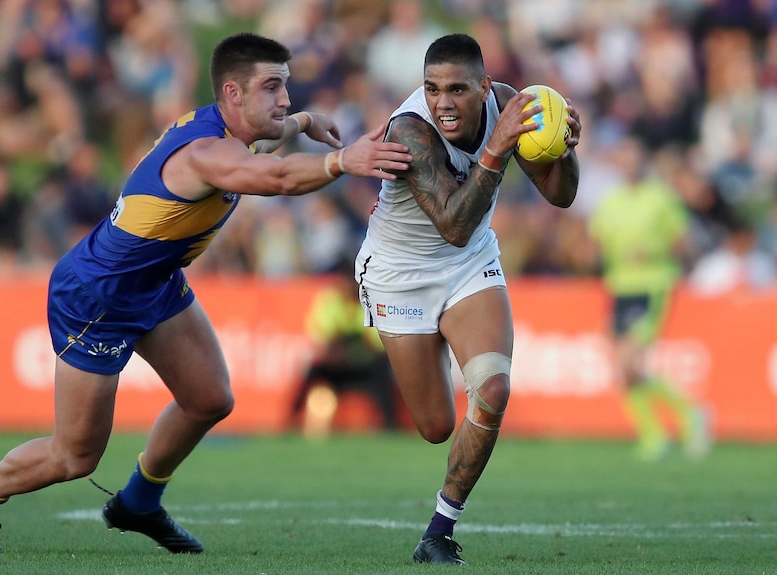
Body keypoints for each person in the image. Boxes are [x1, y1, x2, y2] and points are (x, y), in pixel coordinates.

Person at [0, 31, 411, 554]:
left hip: (155, 282)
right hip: (98, 296)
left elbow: (260, 147)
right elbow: (277, 176)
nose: (285, 99)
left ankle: (139, 502)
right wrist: (342, 160)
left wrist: (304, 122)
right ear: (233, 94)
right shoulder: (207, 152)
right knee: (74, 457)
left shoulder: (225, 127)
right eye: (273, 88)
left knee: (209, 398)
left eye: (286, 86)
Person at [354, 34, 580, 565]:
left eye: (457, 89)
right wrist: (498, 146)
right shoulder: (409, 129)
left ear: (484, 87)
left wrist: (564, 149)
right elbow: (452, 222)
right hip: (399, 274)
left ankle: (438, 530)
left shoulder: (507, 103)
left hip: (468, 263)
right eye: (432, 89)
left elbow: (561, 195)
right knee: (435, 427)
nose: (444, 102)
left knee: (493, 389)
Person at [588, 136, 710, 462]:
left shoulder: (661, 197)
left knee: (630, 362)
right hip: (619, 286)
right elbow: (596, 243)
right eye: (623, 158)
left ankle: (690, 411)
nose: (629, 164)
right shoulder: (610, 201)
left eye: (633, 157)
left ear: (642, 161)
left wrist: (653, 252)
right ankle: (654, 435)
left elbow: (684, 242)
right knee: (622, 368)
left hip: (652, 285)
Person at [288, 258, 398, 436]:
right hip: (338, 367)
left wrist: (346, 346)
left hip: (364, 366)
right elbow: (324, 342)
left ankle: (390, 423)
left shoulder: (371, 301)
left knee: (382, 368)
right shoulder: (330, 300)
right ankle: (291, 420)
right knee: (314, 370)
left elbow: (378, 345)